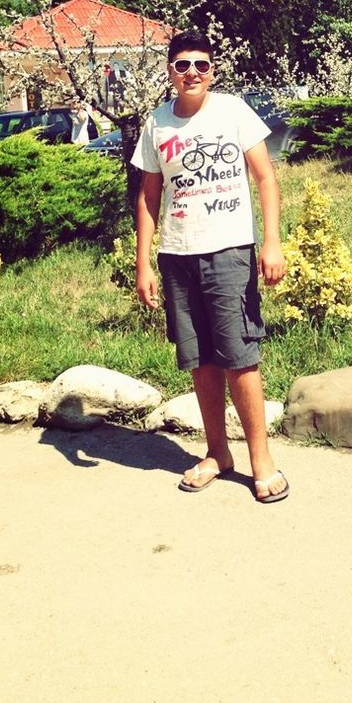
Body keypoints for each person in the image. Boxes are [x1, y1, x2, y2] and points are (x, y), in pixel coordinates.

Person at [133, 30, 289, 503]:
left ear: (213, 70)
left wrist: (272, 242)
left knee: (240, 357)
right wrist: (144, 262)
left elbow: (265, 176)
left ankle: (261, 460)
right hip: (178, 255)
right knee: (199, 359)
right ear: (170, 73)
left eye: (201, 64)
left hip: (229, 251)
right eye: (182, 65)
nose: (192, 73)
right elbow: (148, 196)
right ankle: (218, 452)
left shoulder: (233, 111)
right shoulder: (156, 125)